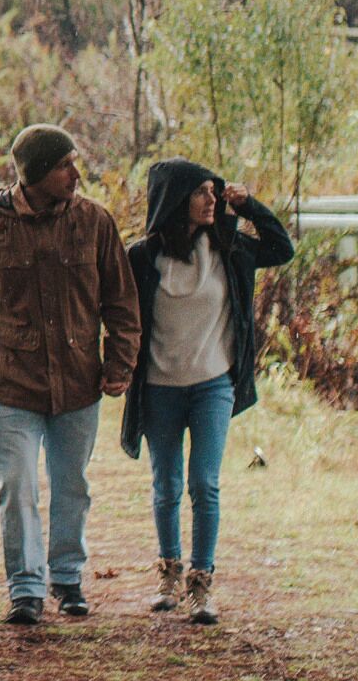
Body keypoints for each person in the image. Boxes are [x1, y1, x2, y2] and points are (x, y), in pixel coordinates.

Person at [0, 124, 141, 626]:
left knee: (72, 485)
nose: (75, 174)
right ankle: (26, 588)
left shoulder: (94, 222)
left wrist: (120, 363)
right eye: (64, 166)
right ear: (34, 174)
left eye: (74, 164)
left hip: (79, 382)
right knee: (17, 486)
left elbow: (121, 300)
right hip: (14, 383)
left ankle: (67, 578)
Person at [116, 160, 296, 626]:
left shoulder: (230, 249)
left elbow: (282, 248)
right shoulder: (142, 257)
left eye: (213, 191)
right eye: (200, 192)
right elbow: (119, 315)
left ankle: (201, 583)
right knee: (167, 485)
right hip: (159, 387)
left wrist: (249, 206)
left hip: (213, 383)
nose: (211, 199)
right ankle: (168, 574)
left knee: (204, 483)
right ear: (176, 200)